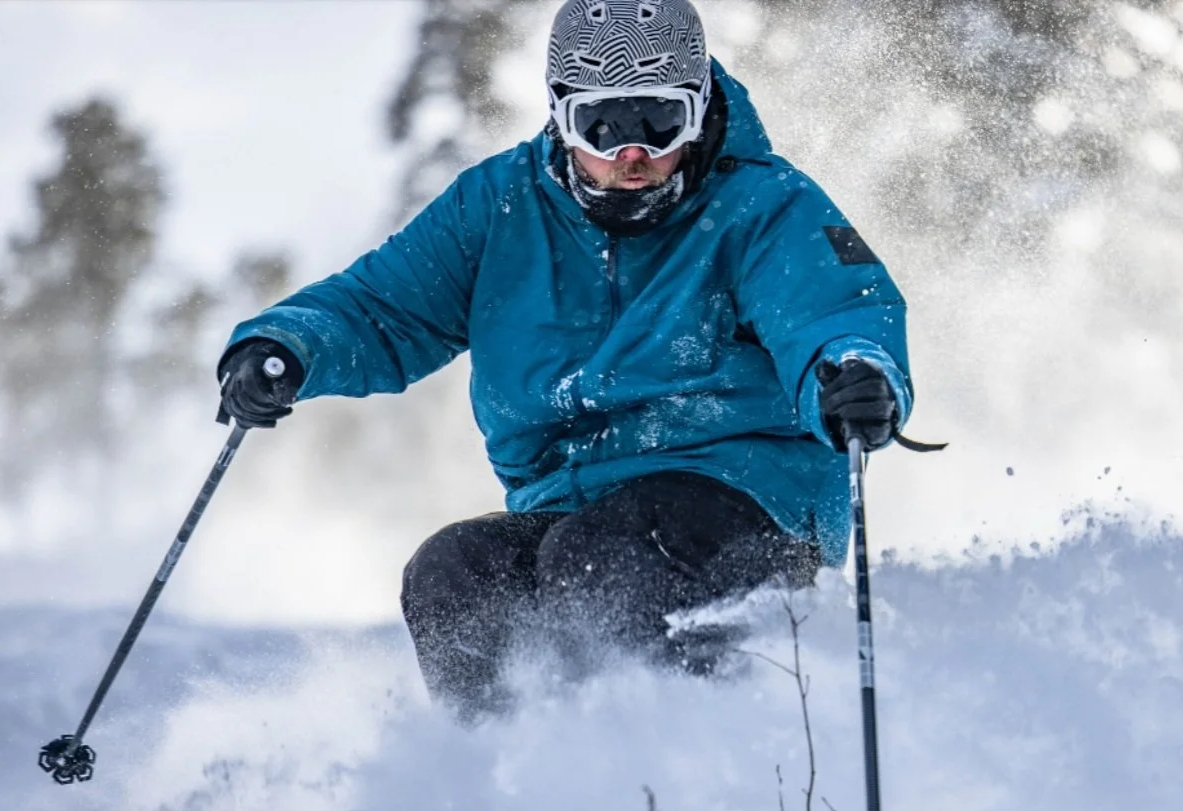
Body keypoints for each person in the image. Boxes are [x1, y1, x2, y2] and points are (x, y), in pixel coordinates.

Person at [216, 0, 915, 719]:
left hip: (747, 507)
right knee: (456, 570)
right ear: (559, 117)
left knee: (603, 558)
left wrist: (852, 370)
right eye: (602, 126)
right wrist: (287, 345)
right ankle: (509, 789)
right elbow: (382, 305)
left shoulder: (764, 205)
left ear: (701, 109)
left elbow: (834, 308)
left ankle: (684, 770)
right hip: (569, 512)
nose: (630, 154)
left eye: (658, 122)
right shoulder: (499, 207)